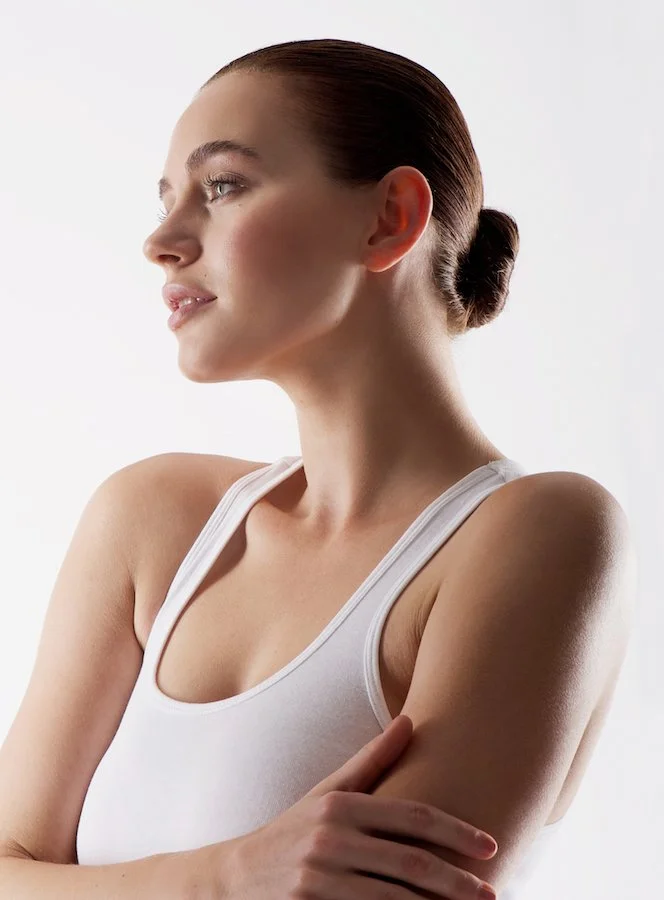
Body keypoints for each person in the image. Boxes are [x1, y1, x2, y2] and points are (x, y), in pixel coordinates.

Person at [0, 38, 634, 900]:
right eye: (166, 199)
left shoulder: (540, 535)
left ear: (390, 218)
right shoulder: (152, 522)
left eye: (222, 186)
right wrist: (223, 877)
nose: (161, 241)